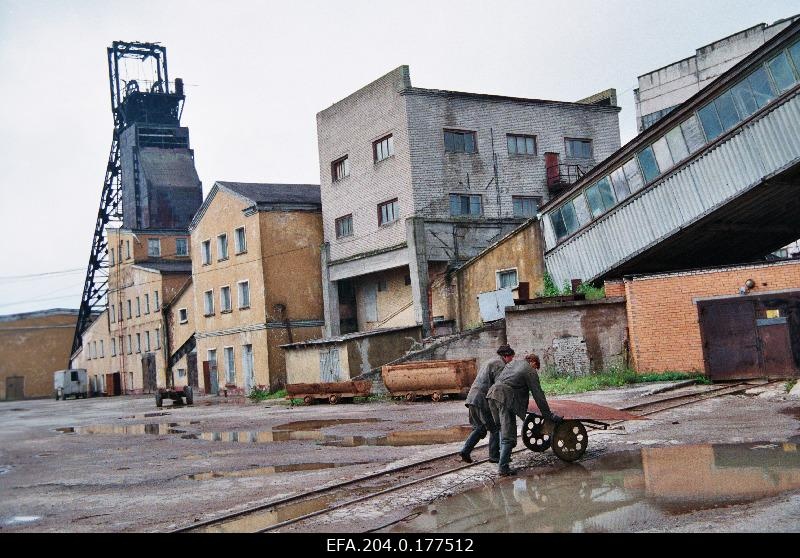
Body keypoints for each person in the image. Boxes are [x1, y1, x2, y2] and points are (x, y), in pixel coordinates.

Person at [486, 353, 561, 476]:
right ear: (533, 362)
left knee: (501, 429)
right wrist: (548, 415)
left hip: (492, 395)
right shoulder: (529, 370)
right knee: (508, 435)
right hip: (505, 399)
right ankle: (503, 468)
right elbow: (538, 395)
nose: (535, 369)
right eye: (536, 366)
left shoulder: (513, 363)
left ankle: (500, 459)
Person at [457, 344, 515, 464]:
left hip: (472, 398)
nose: (512, 360)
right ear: (506, 356)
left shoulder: (491, 361)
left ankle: (465, 451)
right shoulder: (500, 364)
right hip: (481, 399)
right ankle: (494, 456)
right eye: (511, 357)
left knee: (480, 428)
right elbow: (499, 386)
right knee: (494, 428)